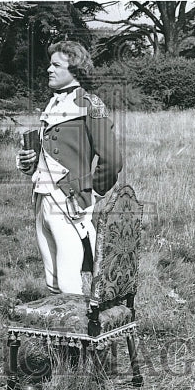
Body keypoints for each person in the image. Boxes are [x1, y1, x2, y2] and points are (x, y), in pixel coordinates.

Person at [16, 40, 122, 296]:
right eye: (49, 64)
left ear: (74, 69)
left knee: (68, 282)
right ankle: (59, 334)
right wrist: (28, 163)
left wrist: (92, 193)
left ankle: (80, 332)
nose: (49, 70)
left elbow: (112, 159)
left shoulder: (90, 104)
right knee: (52, 280)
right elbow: (51, 154)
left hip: (69, 201)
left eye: (56, 65)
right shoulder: (52, 104)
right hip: (42, 198)